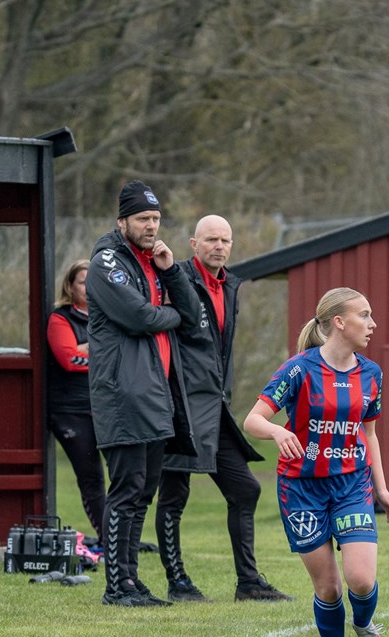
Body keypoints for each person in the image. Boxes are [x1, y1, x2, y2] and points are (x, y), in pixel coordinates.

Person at [244, 287, 389, 637]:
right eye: (364, 315)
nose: (372, 324)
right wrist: (278, 432)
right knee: (329, 588)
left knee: (361, 579)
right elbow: (253, 420)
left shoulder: (371, 374)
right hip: (301, 489)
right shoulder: (298, 369)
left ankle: (364, 626)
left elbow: (369, 434)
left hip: (351, 484)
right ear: (339, 322)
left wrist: (382, 489)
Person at [154, 215, 293, 603]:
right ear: (194, 244)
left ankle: (248, 583)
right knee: (174, 494)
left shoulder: (230, 284)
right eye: (211, 239)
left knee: (245, 489)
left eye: (225, 240)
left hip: (214, 407)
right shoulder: (176, 277)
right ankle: (177, 581)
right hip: (180, 407)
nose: (219, 246)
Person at [87, 180, 199, 607]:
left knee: (144, 491)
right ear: (122, 222)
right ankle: (116, 585)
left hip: (154, 395)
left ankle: (131, 582)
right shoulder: (107, 261)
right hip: (123, 395)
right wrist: (168, 315)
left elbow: (192, 315)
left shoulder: (152, 262)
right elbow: (139, 317)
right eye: (142, 219)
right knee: (126, 490)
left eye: (155, 219)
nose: (151, 226)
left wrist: (171, 271)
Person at [46, 259, 106, 539]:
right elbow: (69, 360)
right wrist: (103, 352)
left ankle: (121, 538)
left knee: (127, 475)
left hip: (103, 408)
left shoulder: (107, 315)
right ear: (70, 287)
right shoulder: (60, 319)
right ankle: (108, 540)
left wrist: (86, 348)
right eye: (83, 282)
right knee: (91, 477)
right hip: (70, 411)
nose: (89, 287)